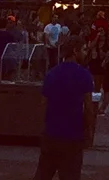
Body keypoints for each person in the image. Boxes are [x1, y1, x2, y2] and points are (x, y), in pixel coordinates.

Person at [34, 36, 94, 180]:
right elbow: (88, 107)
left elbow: (43, 102)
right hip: (72, 134)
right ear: (75, 51)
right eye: (84, 50)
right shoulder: (84, 75)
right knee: (70, 174)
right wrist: (89, 130)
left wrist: (43, 127)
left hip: (51, 133)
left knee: (43, 173)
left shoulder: (52, 73)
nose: (86, 53)